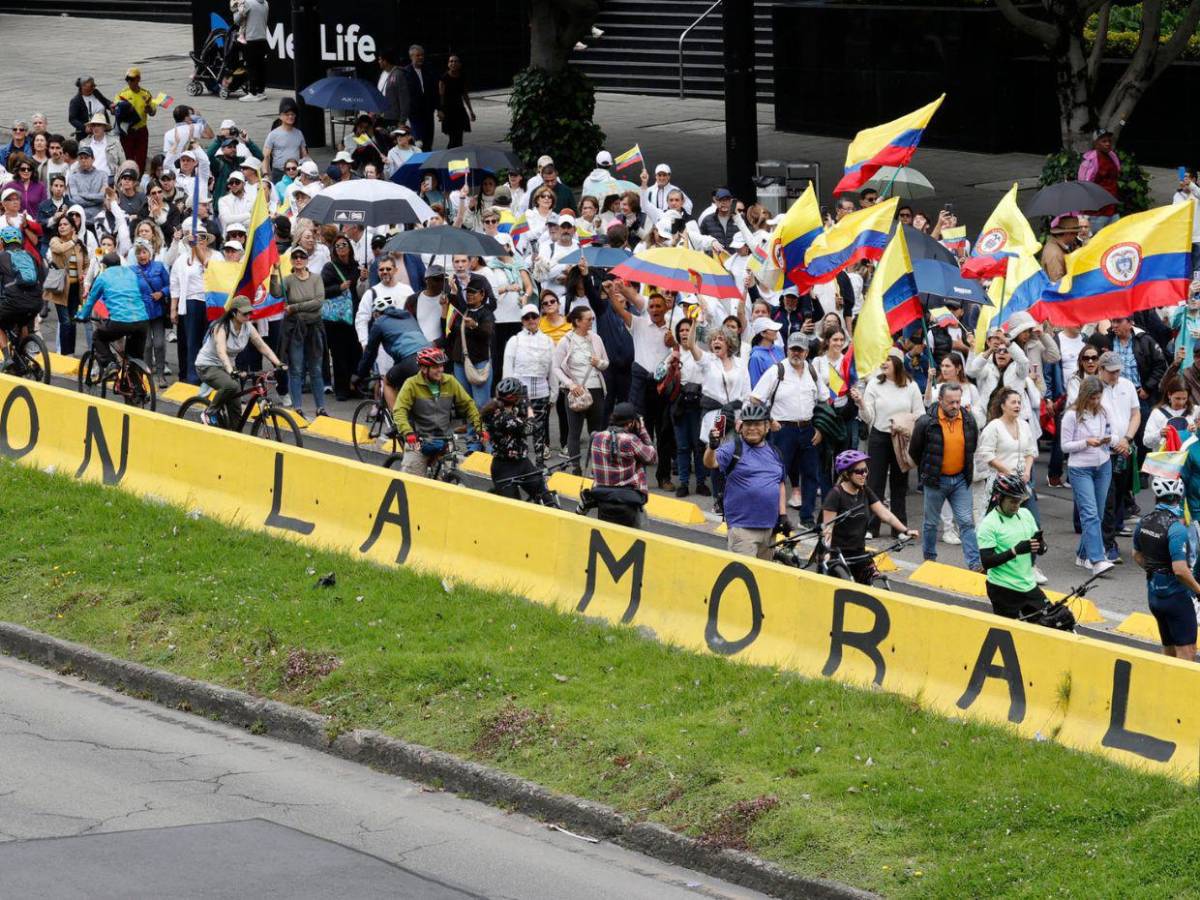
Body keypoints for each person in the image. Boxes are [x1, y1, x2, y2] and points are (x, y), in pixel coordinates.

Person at [749, 331, 823, 526]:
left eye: (800, 350)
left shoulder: (812, 371)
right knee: (777, 474)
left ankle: (807, 517)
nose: (796, 353)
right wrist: (769, 420)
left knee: (810, 475)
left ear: (807, 352)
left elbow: (824, 401)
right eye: (793, 349)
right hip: (783, 430)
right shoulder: (777, 370)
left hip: (808, 429)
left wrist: (820, 429)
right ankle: (775, 516)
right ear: (787, 350)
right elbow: (755, 398)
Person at [910, 382, 983, 571]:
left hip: (960, 480)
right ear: (940, 400)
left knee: (966, 523)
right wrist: (929, 470)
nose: (955, 406)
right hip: (936, 480)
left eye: (958, 401)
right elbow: (915, 451)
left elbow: (972, 447)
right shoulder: (926, 422)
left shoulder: (968, 420)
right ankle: (929, 560)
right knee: (931, 523)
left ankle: (975, 564)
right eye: (951, 402)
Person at [704, 400, 790, 558]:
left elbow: (780, 484)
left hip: (769, 528)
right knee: (743, 578)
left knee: (765, 577)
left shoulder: (775, 452)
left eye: (757, 424)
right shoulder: (733, 447)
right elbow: (711, 462)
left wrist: (783, 515)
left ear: (766, 427)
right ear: (741, 427)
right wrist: (712, 446)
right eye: (748, 424)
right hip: (742, 528)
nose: (752, 429)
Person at [855, 348, 924, 536]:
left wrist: (903, 423)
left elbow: (920, 413)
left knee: (899, 484)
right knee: (875, 482)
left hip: (901, 438)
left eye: (888, 359)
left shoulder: (911, 386)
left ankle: (899, 528)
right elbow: (868, 417)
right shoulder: (874, 385)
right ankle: (871, 526)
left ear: (898, 362)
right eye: (881, 360)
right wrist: (861, 403)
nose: (883, 363)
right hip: (879, 436)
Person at [822, 450, 918, 583]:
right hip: (838, 555)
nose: (864, 474)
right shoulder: (835, 495)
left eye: (866, 470)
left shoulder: (865, 491)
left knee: (878, 581)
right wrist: (827, 553)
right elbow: (828, 529)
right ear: (846, 474)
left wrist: (905, 530)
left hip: (859, 553)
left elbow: (885, 515)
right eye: (859, 471)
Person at [1132, 476, 1200, 660]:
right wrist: (1198, 589)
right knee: (1187, 650)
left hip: (1154, 597)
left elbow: (1136, 555)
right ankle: (1180, 689)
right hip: (1176, 597)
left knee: (1168, 648)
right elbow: (1180, 570)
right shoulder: (1176, 529)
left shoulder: (1144, 521)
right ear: (1179, 497)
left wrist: (1155, 571)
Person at [194, 296, 285, 426]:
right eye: (244, 313)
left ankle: (234, 435)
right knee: (231, 386)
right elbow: (221, 351)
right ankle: (209, 412)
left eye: (250, 312)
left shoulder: (247, 327)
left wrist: (278, 363)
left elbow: (261, 345)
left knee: (236, 410)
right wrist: (231, 370)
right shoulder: (222, 327)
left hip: (228, 368)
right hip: (208, 366)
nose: (248, 316)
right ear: (234, 313)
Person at [393, 346, 483, 477]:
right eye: (436, 367)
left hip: (445, 439)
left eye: (441, 366)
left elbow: (469, 405)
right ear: (424, 369)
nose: (440, 370)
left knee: (449, 476)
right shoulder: (411, 384)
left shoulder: (450, 381)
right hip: (418, 440)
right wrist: (408, 433)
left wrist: (480, 427)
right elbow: (399, 410)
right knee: (412, 481)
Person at [1060, 375, 1116, 575]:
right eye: (1092, 398)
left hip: (1103, 465)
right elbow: (1064, 446)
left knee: (1097, 515)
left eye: (1098, 397)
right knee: (1090, 514)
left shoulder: (1103, 412)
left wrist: (1109, 440)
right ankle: (1097, 559)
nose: (1095, 402)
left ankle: (1083, 555)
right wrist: (1086, 442)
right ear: (1084, 396)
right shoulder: (1071, 416)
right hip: (1080, 468)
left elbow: (1113, 433)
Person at [977, 474, 1050, 620]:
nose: (1016, 505)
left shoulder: (1025, 514)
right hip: (1002, 588)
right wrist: (1015, 551)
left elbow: (1041, 546)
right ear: (999, 498)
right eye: (1012, 501)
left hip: (1027, 584)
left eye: (1019, 501)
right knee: (1010, 631)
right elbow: (987, 562)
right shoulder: (989, 524)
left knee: (1053, 621)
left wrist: (1041, 546)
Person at [553, 304, 608, 474]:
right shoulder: (566, 340)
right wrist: (571, 385)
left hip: (596, 389)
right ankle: (575, 467)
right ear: (577, 321)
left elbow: (606, 363)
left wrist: (598, 363)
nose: (591, 321)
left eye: (592, 318)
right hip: (576, 391)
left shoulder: (596, 338)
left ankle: (596, 468)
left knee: (596, 432)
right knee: (574, 431)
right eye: (588, 319)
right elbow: (556, 367)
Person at [482, 378, 555, 505]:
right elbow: (531, 427)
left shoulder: (510, 409)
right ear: (514, 398)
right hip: (504, 468)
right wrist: (529, 407)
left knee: (546, 499)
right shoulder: (502, 417)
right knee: (515, 509)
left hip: (523, 463)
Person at [75, 252, 149, 373]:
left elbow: (91, 300)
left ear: (104, 266)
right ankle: (137, 389)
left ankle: (110, 364)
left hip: (120, 321)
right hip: (142, 320)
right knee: (134, 357)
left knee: (98, 337)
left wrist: (82, 315)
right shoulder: (131, 274)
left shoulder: (103, 277)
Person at [586, 401, 657, 528]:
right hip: (628, 497)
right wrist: (642, 430)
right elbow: (651, 457)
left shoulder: (596, 437)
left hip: (602, 495)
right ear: (630, 423)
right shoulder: (631, 440)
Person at [354, 293, 431, 411]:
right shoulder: (408, 316)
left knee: (388, 383)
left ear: (376, 313)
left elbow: (370, 353)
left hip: (411, 360)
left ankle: (399, 422)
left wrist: (360, 375)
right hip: (429, 356)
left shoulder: (379, 322)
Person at [504, 302, 556, 464]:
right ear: (522, 320)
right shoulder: (515, 340)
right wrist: (508, 396)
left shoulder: (547, 341)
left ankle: (540, 463)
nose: (531, 320)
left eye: (534, 316)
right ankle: (522, 463)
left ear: (539, 318)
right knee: (520, 429)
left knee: (539, 430)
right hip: (520, 394)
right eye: (527, 317)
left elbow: (552, 368)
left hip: (541, 392)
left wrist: (553, 392)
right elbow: (507, 368)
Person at [281, 246, 327, 419]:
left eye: (302, 256)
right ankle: (298, 407)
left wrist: (295, 307)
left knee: (315, 369)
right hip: (295, 330)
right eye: (295, 257)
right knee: (296, 369)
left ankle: (320, 408)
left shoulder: (316, 278)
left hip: (314, 327)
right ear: (292, 260)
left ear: (307, 260)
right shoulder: (287, 279)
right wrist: (272, 274)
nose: (298, 259)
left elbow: (318, 301)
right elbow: (276, 293)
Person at [43, 212, 88, 355]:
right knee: (65, 322)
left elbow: (87, 262)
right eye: (60, 225)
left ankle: (70, 353)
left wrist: (85, 274)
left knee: (73, 321)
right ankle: (64, 354)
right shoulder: (55, 240)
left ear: (73, 228)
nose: (62, 227)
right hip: (61, 288)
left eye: (65, 224)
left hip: (76, 288)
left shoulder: (79, 244)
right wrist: (73, 242)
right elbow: (59, 249)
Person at [0, 226, 44, 364]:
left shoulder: (2, 256)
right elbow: (41, 276)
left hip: (13, 302)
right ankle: (23, 355)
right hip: (36, 302)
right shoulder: (30, 255)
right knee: (23, 322)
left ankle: (7, 358)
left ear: (2, 242)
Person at [1078, 128, 1120, 232]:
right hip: (1096, 212)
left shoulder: (1112, 156)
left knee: (1114, 241)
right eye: (1104, 141)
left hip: (1112, 209)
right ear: (1096, 143)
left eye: (1109, 141)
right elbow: (1084, 185)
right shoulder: (1089, 162)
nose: (1107, 144)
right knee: (1095, 243)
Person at [115, 67, 156, 172]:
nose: (130, 82)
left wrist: (149, 110)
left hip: (141, 130)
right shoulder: (122, 94)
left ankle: (140, 177)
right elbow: (116, 110)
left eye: (132, 79)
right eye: (127, 79)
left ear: (138, 79)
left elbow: (153, 112)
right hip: (127, 131)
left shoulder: (145, 94)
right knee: (128, 157)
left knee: (141, 157)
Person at [404, 44, 438, 151]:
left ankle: (428, 165)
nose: (421, 58)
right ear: (411, 57)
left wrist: (439, 109)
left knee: (428, 141)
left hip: (428, 112)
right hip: (414, 114)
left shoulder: (429, 70)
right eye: (418, 55)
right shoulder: (406, 73)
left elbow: (434, 91)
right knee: (419, 142)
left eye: (422, 55)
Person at [235, 0, 270, 102]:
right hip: (262, 38)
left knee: (251, 67)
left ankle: (252, 93)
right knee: (260, 67)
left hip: (251, 39)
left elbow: (236, 20)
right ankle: (261, 92)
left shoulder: (248, 3)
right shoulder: (265, 3)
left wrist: (238, 8)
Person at [438, 55, 475, 149]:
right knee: (453, 138)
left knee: (459, 137)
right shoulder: (444, 78)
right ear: (448, 64)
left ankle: (458, 156)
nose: (453, 63)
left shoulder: (462, 76)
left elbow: (465, 95)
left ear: (459, 64)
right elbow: (441, 96)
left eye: (455, 61)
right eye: (451, 61)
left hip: (459, 110)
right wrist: (440, 111)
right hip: (448, 111)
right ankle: (450, 156)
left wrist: (471, 111)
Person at [377, 48, 410, 130]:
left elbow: (404, 99)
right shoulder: (383, 73)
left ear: (386, 61)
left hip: (393, 118)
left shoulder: (399, 74)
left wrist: (402, 120)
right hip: (382, 116)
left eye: (380, 59)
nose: (379, 61)